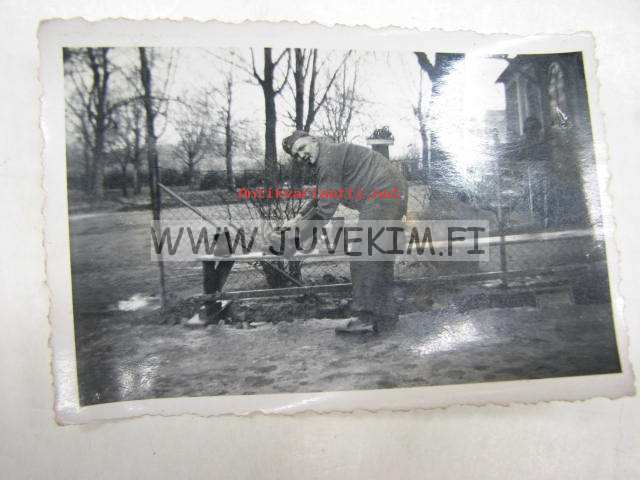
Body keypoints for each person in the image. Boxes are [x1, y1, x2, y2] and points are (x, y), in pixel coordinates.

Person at [276, 130, 408, 334]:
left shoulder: (327, 160)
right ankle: (386, 316)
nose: (302, 155)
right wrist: (298, 218)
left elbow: (324, 210)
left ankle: (366, 317)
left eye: (302, 148)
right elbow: (322, 196)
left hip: (383, 192)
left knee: (363, 254)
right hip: (392, 191)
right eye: (297, 154)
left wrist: (295, 241)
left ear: (313, 140)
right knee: (379, 257)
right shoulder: (328, 155)